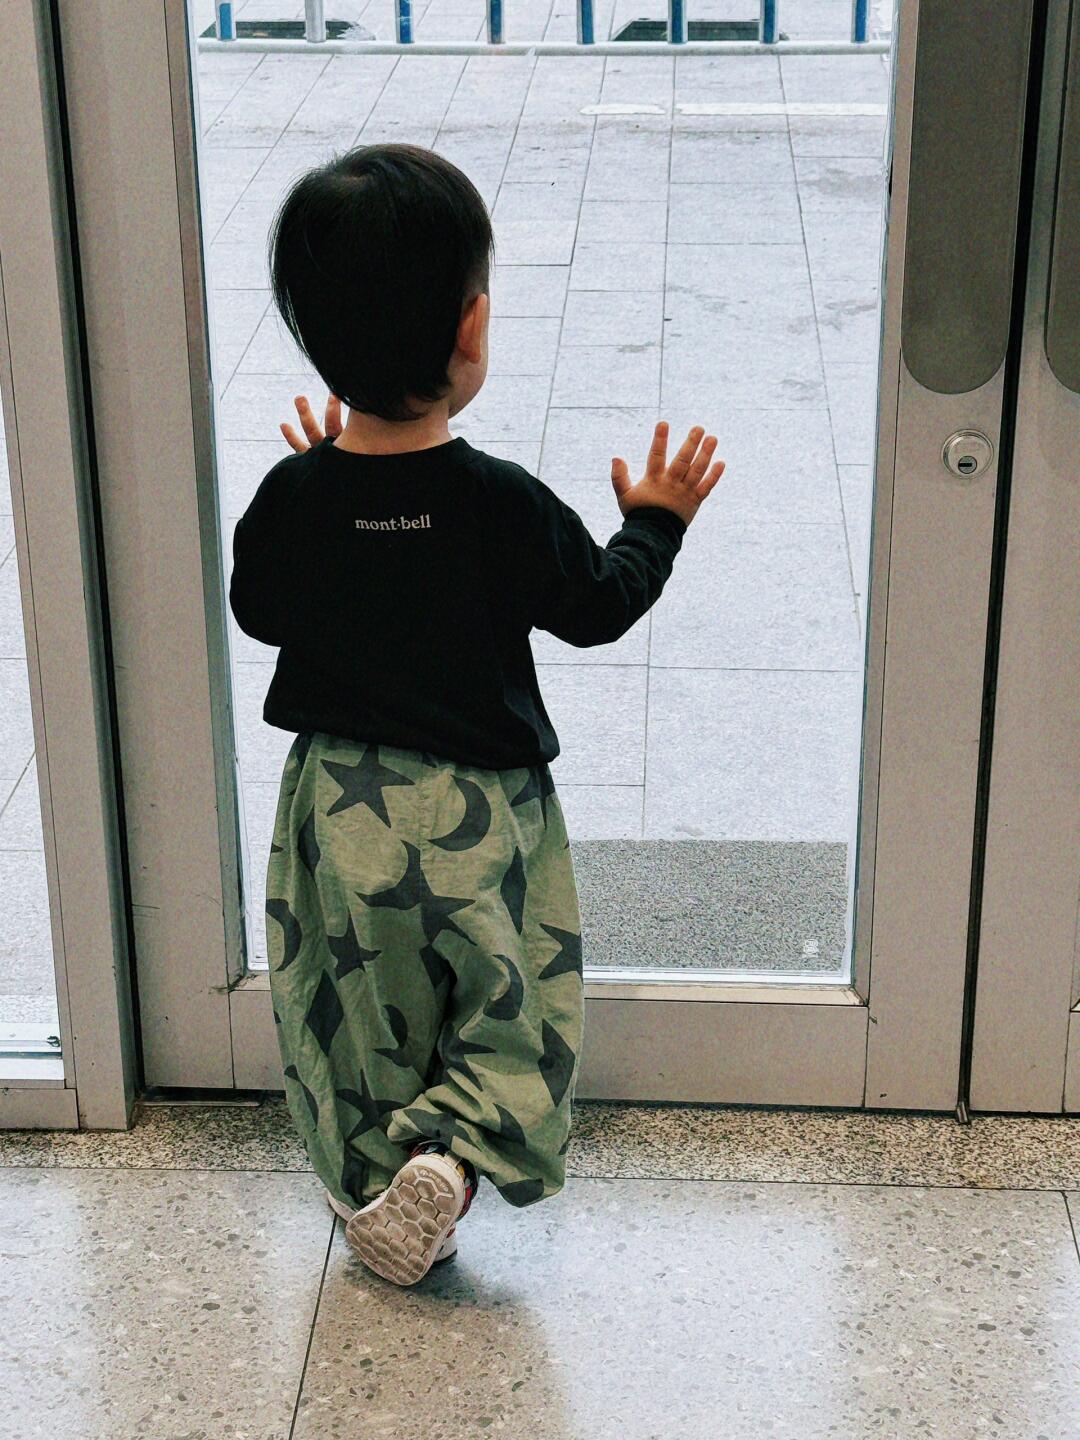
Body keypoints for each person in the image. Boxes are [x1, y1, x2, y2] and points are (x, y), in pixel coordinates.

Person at [229, 142, 725, 1288]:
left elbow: (260, 610)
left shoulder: (296, 493)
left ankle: (372, 1182)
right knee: (512, 1000)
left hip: (339, 809)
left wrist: (320, 496)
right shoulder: (499, 501)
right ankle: (450, 1161)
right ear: (472, 327)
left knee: (356, 1007)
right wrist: (656, 522)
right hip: (478, 811)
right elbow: (598, 606)